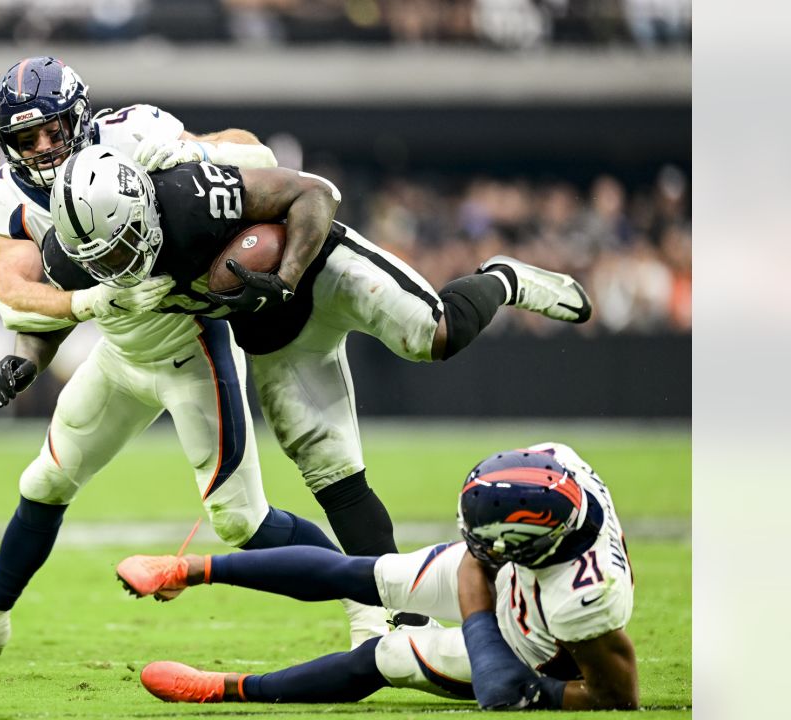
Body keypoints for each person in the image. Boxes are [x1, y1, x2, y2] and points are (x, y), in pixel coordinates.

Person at [0, 56, 341, 662]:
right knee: (44, 480)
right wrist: (83, 305)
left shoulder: (131, 134)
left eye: (54, 129)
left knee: (239, 521)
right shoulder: (2, 195)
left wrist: (195, 153)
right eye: (27, 137)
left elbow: (254, 153)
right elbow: (15, 288)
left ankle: (372, 592)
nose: (44, 147)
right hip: (120, 350)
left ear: (80, 118)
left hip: (188, 347)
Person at [45, 144, 593, 642]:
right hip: (274, 338)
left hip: (321, 269)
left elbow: (317, 191)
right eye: (102, 260)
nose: (117, 264)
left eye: (120, 248)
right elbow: (33, 299)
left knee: (435, 333)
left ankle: (502, 277)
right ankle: (410, 623)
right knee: (336, 479)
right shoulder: (74, 255)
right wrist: (36, 348)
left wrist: (284, 275)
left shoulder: (190, 198)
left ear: (142, 206)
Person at [117, 442, 639, 711]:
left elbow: (616, 698)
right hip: (521, 570)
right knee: (360, 574)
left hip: (536, 642)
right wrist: (485, 565)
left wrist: (535, 692)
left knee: (384, 657)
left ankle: (227, 690)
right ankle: (186, 569)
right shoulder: (555, 466)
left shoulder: (586, 596)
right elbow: (479, 558)